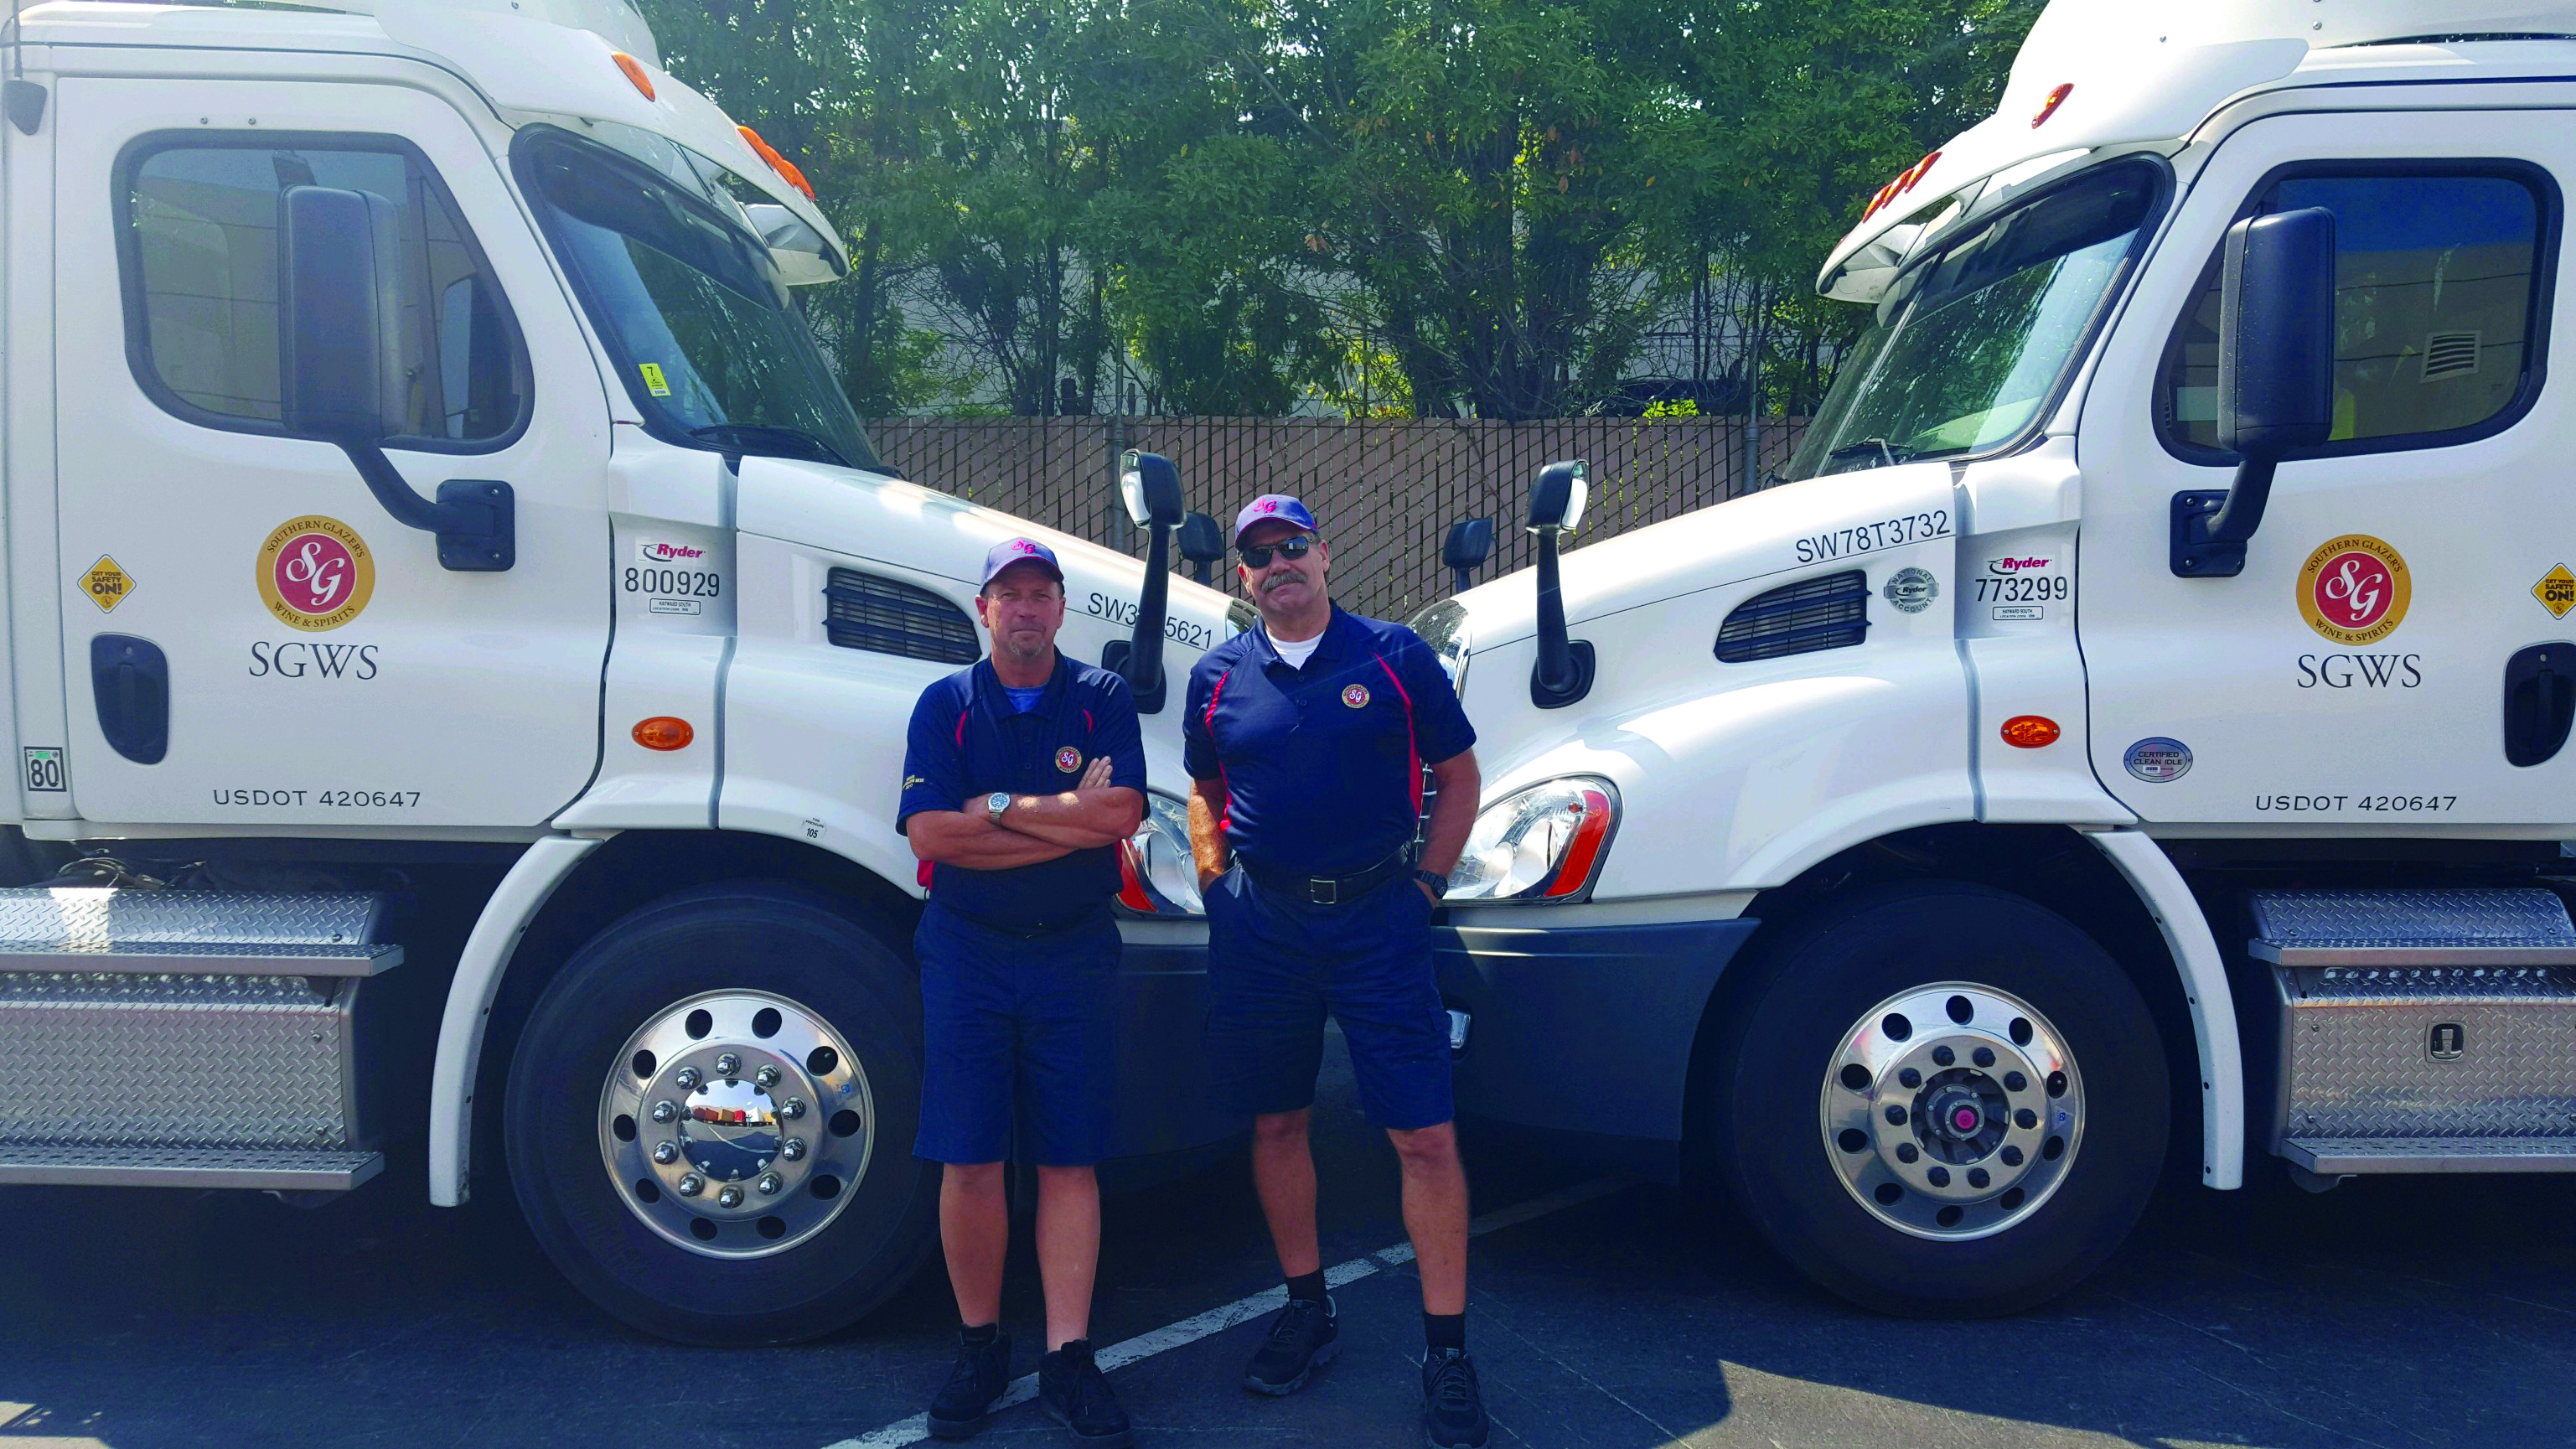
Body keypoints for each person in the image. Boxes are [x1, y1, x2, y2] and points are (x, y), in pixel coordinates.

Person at [1182, 494, 1490, 1449]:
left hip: (1379, 920)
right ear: (1241, 577)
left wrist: (1427, 886)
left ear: (1325, 552)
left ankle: (1446, 1351)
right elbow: (1204, 786)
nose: (1278, 563)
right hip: (1263, 924)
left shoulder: (1396, 657)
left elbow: (1461, 774)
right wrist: (1211, 878)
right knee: (1277, 1121)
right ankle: (1306, 1307)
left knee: (1423, 1138)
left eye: (1293, 546)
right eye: (1258, 555)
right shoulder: (1216, 675)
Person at [898, 537, 1146, 1448]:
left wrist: (996, 808)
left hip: (1073, 952)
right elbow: (930, 831)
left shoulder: (1103, 697)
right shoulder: (945, 705)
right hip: (966, 952)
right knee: (967, 1157)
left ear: (1060, 608)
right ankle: (978, 1345)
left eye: (1043, 593)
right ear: (985, 609)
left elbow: (1120, 816)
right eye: (1012, 595)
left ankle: (1068, 1356)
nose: (1028, 608)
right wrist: (1060, 821)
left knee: (1066, 1158)